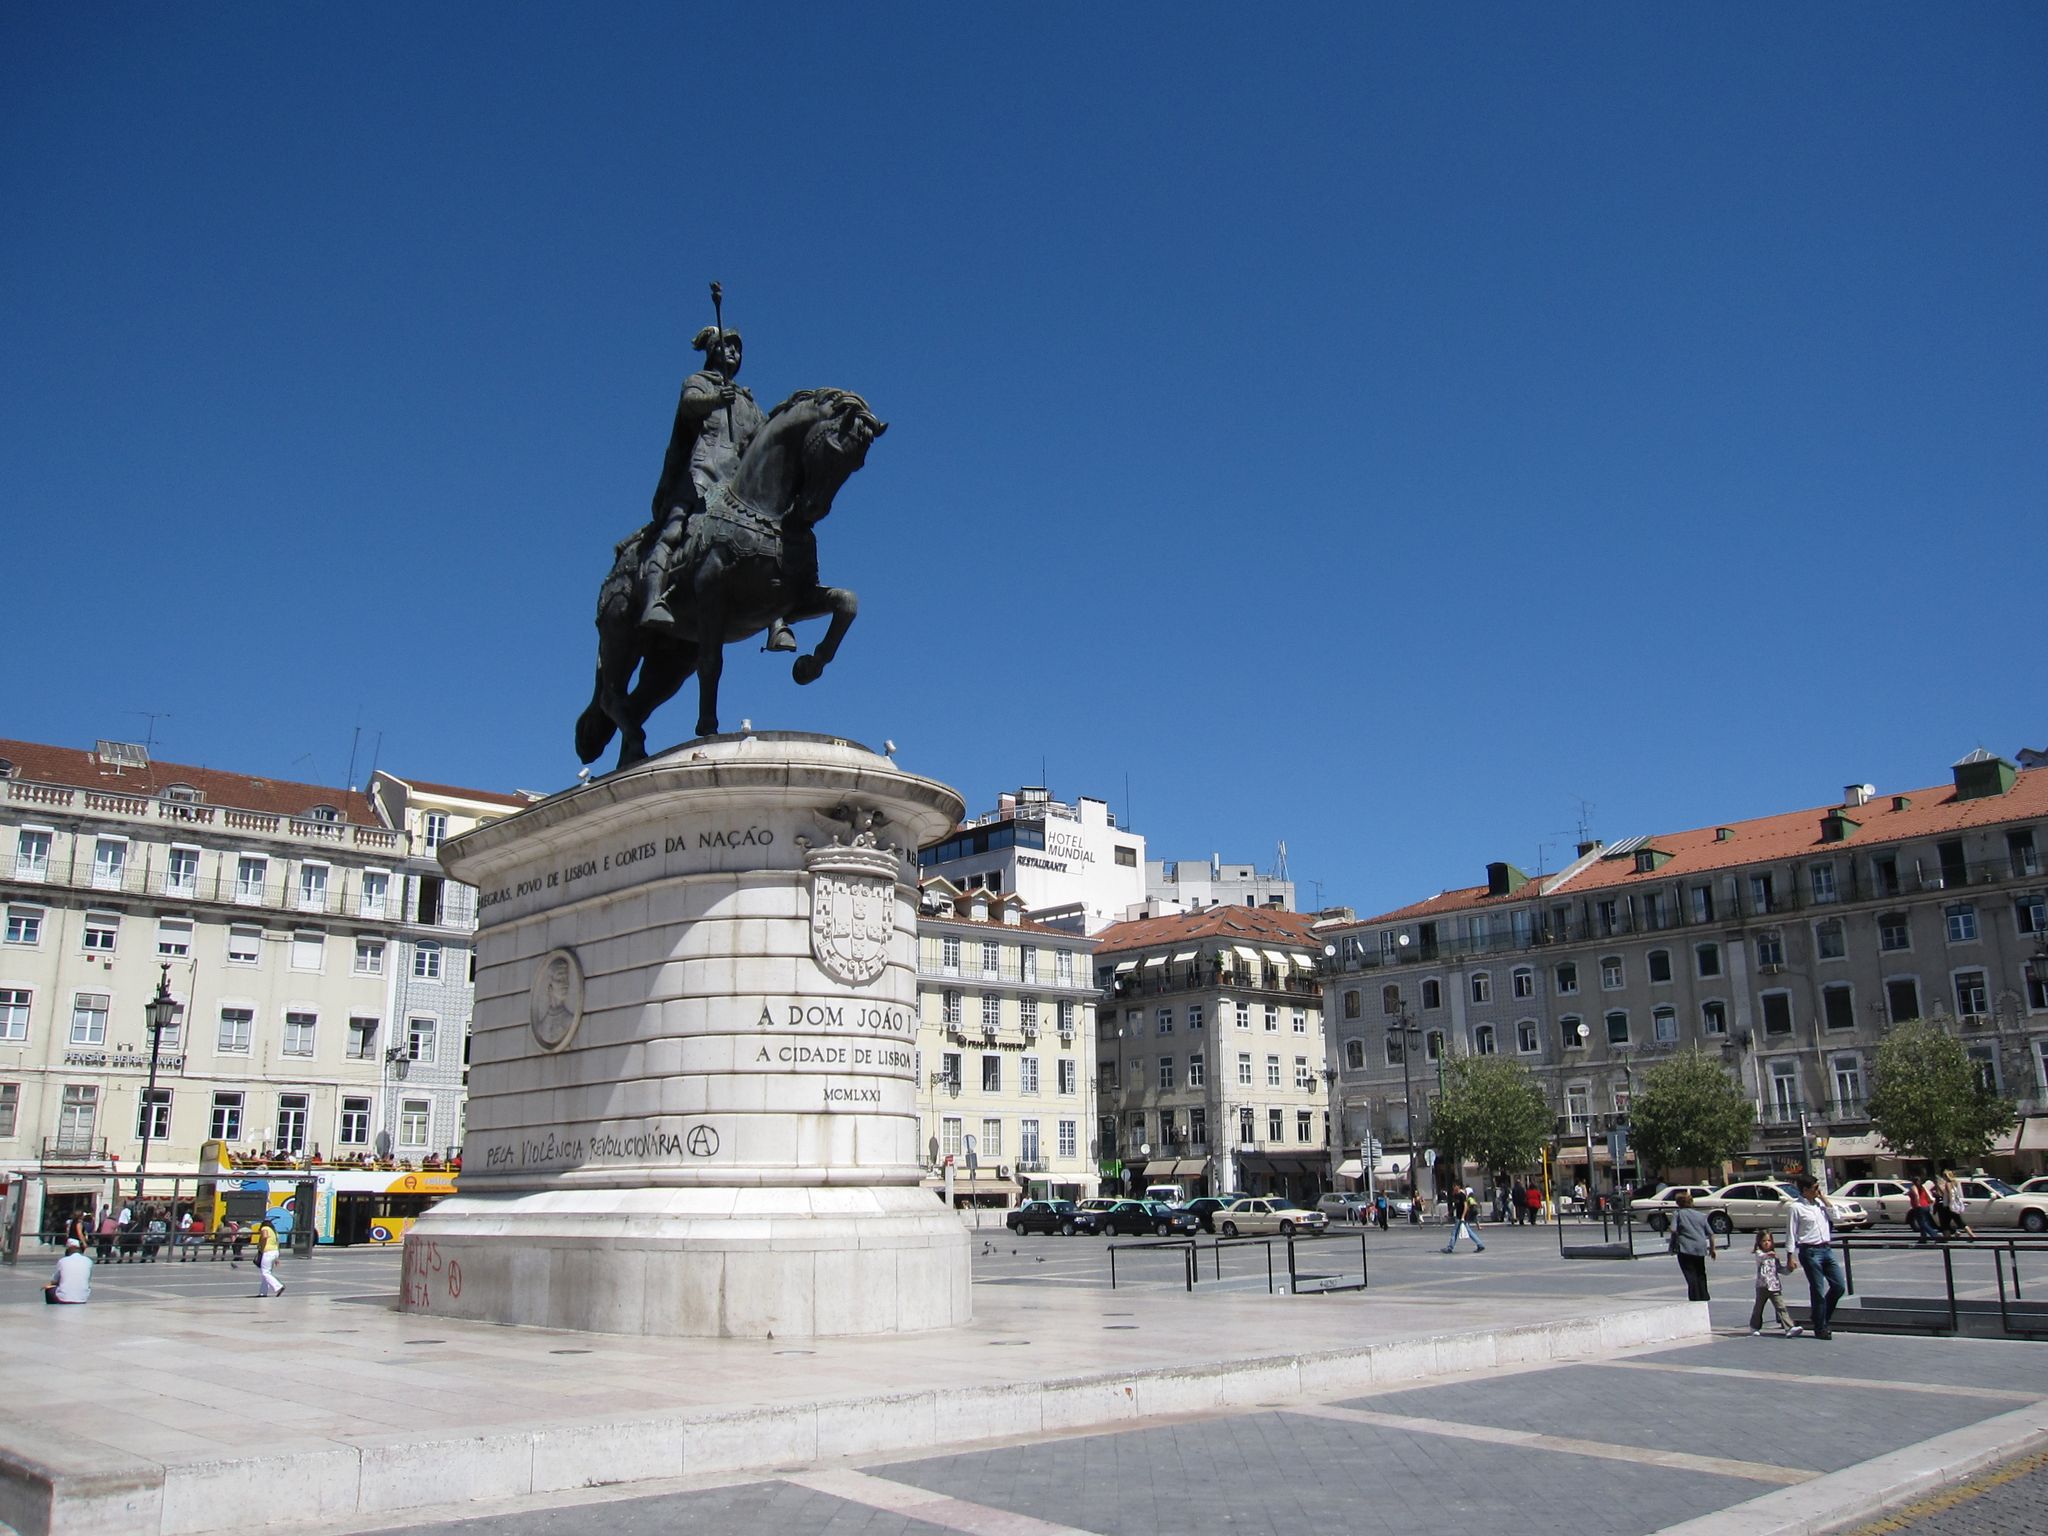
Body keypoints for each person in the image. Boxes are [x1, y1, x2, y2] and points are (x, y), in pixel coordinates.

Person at [639, 325, 771, 631]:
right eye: (727, 347)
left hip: (735, 484)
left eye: (738, 349)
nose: (733, 354)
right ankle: (653, 601)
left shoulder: (748, 402)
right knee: (674, 531)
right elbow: (689, 407)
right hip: (700, 475)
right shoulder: (698, 382)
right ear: (712, 351)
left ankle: (775, 615)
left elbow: (762, 437)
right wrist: (714, 399)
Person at [1790, 1174, 1845, 1339]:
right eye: (1815, 1188)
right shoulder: (1796, 1207)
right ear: (1805, 1190)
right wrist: (1790, 1255)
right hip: (1810, 1251)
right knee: (1818, 1290)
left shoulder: (1820, 1204)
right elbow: (1791, 1233)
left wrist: (1825, 1200)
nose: (1818, 1190)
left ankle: (1819, 1316)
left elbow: (1837, 1218)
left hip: (1826, 1249)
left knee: (1839, 1286)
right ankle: (1820, 1327)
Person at [1749, 1230, 1799, 1335]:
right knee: (1758, 1307)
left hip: (1774, 1286)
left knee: (1781, 1307)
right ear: (1759, 1242)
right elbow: (1761, 1257)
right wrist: (1768, 1254)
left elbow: (1780, 1270)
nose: (1767, 1243)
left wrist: (1790, 1269)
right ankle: (1754, 1327)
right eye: (1764, 1241)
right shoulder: (1759, 1253)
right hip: (1762, 1286)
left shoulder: (1774, 1257)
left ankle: (1789, 1327)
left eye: (1769, 1240)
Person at [1669, 1191, 1716, 1302]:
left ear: (1678, 1203)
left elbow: (1673, 1229)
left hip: (1685, 1248)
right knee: (1700, 1272)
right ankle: (1704, 1295)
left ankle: (1694, 1296)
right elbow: (1711, 1233)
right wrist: (1713, 1249)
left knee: (1690, 1273)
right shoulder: (1701, 1215)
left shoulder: (1678, 1214)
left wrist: (1673, 1242)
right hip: (1700, 1247)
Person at [1442, 1183, 1486, 1254]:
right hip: (1459, 1217)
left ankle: (1450, 1248)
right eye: (1453, 1186)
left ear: (1458, 1187)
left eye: (1455, 1186)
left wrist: (1463, 1217)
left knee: (1455, 1233)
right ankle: (1480, 1245)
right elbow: (1455, 1206)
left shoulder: (1462, 1195)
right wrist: (1449, 1212)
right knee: (1468, 1232)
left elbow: (1466, 1206)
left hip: (1462, 1217)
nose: (1454, 1188)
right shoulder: (1455, 1195)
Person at [46, 1238, 92, 1304]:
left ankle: (52, 1309)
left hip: (63, 1298)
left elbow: (54, 1281)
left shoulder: (62, 1261)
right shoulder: (88, 1261)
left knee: (49, 1290)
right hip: (82, 1298)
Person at [1937, 1170, 1978, 1240]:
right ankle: (1971, 1234)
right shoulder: (1954, 1183)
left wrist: (1950, 1203)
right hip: (1954, 1205)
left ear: (1946, 1177)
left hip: (1948, 1206)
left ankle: (1947, 1237)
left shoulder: (1948, 1184)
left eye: (1944, 1176)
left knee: (1945, 1223)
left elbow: (1949, 1194)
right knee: (1958, 1221)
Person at [252, 1218, 285, 1298]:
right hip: (275, 1252)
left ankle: (278, 1286)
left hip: (268, 1252)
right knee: (267, 1273)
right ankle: (263, 1293)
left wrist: (261, 1246)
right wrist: (277, 1258)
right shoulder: (274, 1232)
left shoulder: (265, 1228)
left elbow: (265, 1236)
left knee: (265, 1273)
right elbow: (277, 1243)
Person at [1906, 1176, 1943, 1243]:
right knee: (1923, 1222)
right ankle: (1923, 1237)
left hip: (1919, 1207)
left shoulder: (1914, 1187)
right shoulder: (1922, 1187)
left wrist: (1917, 1204)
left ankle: (1936, 1236)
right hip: (1926, 1206)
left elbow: (1916, 1195)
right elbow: (1927, 1195)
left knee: (1923, 1223)